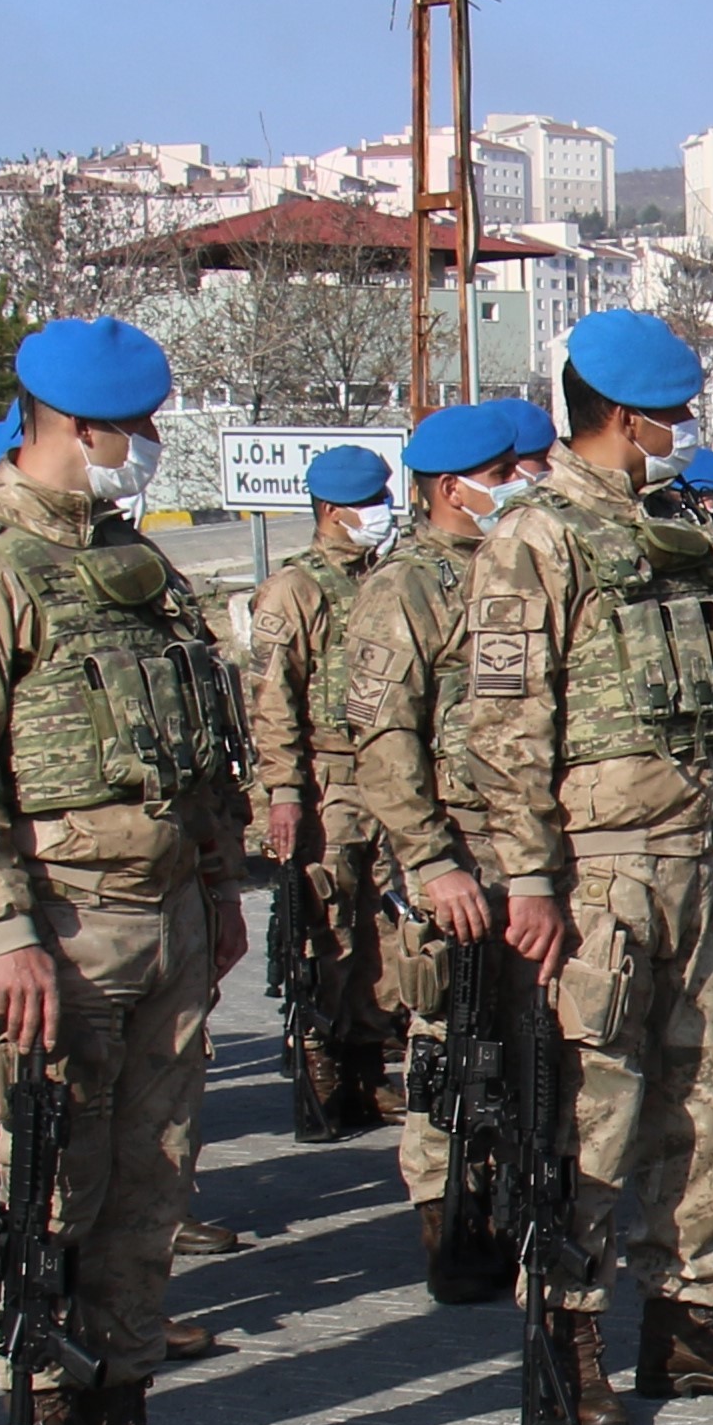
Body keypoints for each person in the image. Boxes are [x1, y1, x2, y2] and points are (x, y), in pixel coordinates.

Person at [0, 316, 269, 1425]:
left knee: (151, 1188)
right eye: (139, 428)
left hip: (161, 918)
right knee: (52, 1189)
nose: (150, 447)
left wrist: (217, 885)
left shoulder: (132, 566)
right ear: (79, 426)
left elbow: (201, 746)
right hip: (57, 931)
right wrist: (3, 931)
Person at [460, 312, 713, 1417]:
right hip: (599, 874)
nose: (683, 435)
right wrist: (526, 877)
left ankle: (689, 1320)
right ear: (624, 418)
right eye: (673, 417)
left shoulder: (685, 535)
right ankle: (569, 1334)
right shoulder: (536, 540)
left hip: (702, 858)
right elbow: (506, 725)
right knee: (594, 1108)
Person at [341, 400, 550, 1279]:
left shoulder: (523, 569)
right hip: (460, 853)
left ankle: (521, 1198)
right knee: (453, 1034)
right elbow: (383, 739)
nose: (521, 486)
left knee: (529, 1037)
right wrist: (428, 860)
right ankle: (449, 1214)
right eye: (503, 476)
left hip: (530, 850)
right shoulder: (406, 588)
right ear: (448, 491)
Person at [241, 436, 398, 1142]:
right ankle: (320, 1066)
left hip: (384, 773)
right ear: (332, 510)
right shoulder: (294, 590)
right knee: (325, 929)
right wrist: (283, 792)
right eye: (368, 504)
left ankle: (368, 1068)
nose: (382, 514)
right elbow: (272, 700)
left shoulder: (384, 579)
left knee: (382, 931)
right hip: (326, 778)